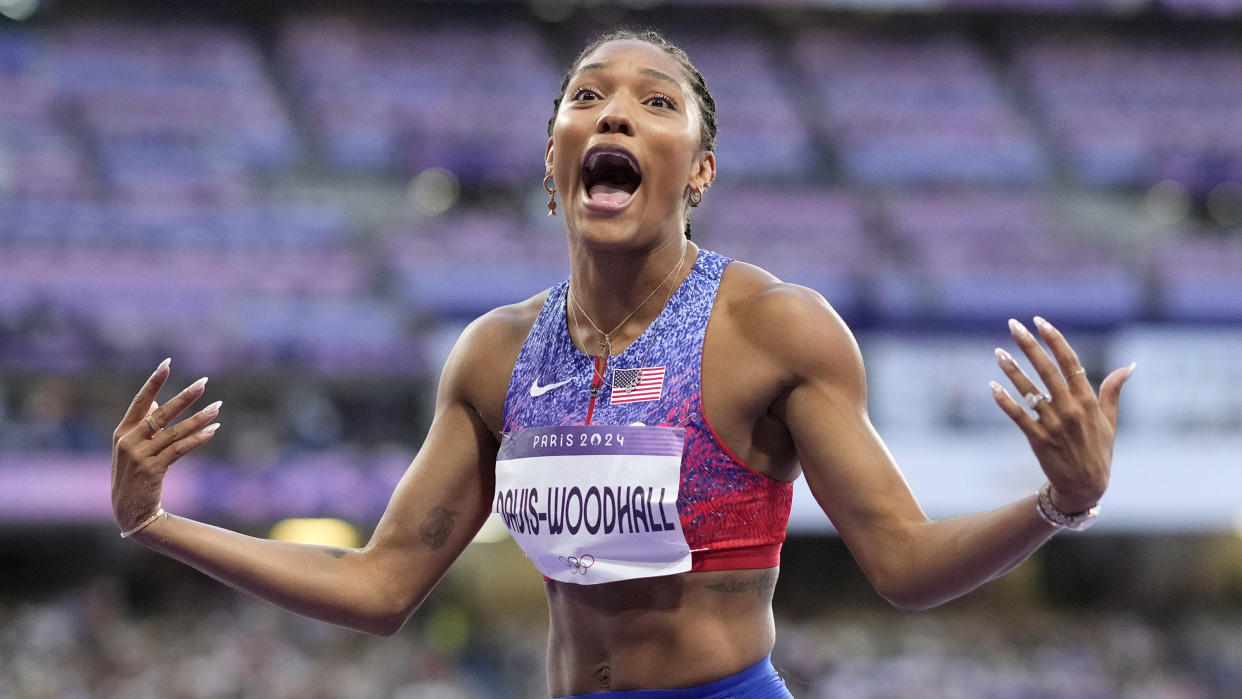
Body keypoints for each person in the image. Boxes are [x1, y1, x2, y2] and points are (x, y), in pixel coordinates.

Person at [110, 29, 1134, 698]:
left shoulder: (775, 328)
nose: (612, 113)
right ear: (554, 166)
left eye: (654, 103)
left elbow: (904, 568)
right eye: (588, 96)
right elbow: (382, 586)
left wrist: (1060, 503)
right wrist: (157, 524)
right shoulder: (495, 354)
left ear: (699, 170)